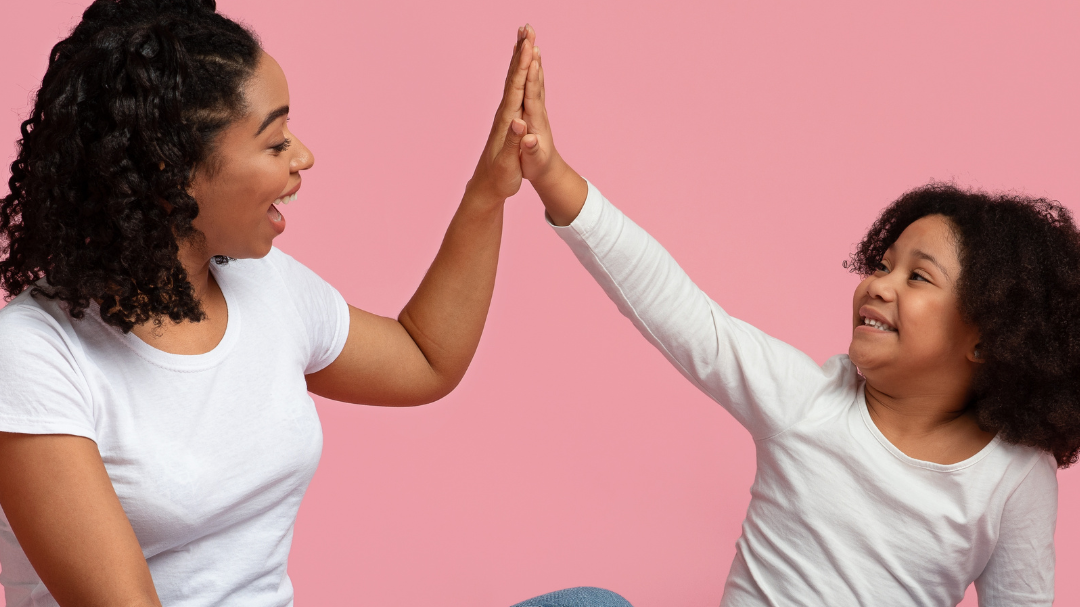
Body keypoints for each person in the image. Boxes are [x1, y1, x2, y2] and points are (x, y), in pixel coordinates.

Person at [0, 2, 633, 606]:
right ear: (172, 172)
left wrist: (490, 189)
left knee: (593, 606)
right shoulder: (33, 352)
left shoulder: (263, 285)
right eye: (275, 143)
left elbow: (423, 357)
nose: (304, 156)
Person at [512, 27, 1080, 606]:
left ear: (988, 339)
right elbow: (680, 311)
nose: (878, 285)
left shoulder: (1013, 479)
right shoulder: (806, 401)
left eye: (917, 276)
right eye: (881, 266)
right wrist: (552, 175)